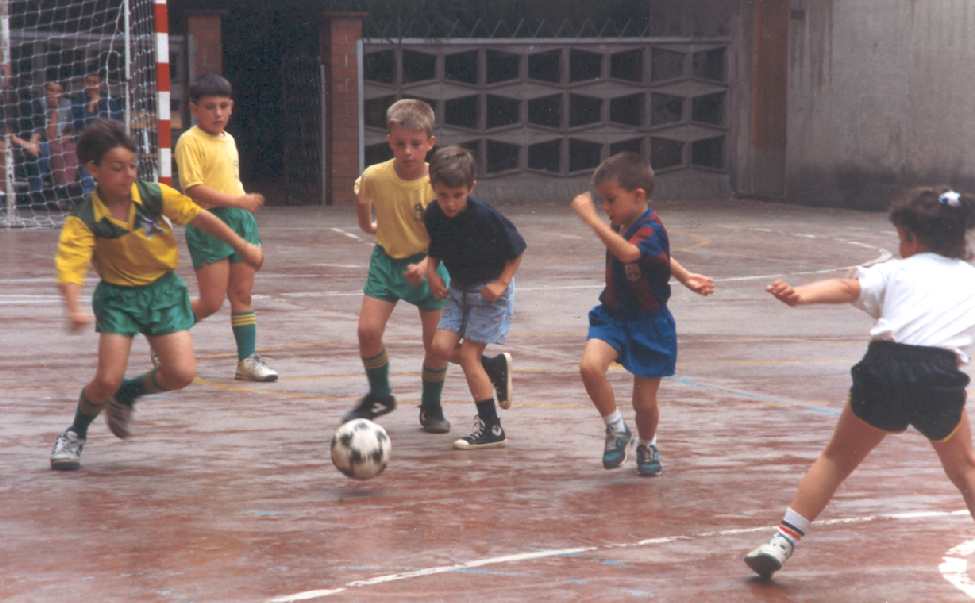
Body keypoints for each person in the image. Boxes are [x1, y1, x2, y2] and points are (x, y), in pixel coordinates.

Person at [744, 187, 975, 578]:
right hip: (939, 376)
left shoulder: (896, 270)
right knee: (966, 470)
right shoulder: (969, 278)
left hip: (885, 367)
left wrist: (800, 295)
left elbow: (848, 287)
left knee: (836, 459)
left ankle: (781, 541)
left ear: (911, 239)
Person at [49, 119, 264, 470]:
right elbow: (70, 268)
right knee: (106, 378)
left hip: (162, 292)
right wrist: (73, 309)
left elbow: (200, 217)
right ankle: (75, 432)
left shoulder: (152, 196)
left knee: (180, 374)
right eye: (117, 168)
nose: (128, 174)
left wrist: (243, 244)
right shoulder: (85, 218)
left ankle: (126, 395)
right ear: (94, 169)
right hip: (119, 298)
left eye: (132, 166)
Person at [343, 99, 513, 434]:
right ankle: (380, 394)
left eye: (416, 144)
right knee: (367, 331)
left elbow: (448, 234)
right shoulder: (374, 177)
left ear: (430, 144)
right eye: (399, 144)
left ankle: (432, 405)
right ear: (388, 140)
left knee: (436, 347)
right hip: (387, 263)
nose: (407, 151)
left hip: (432, 264)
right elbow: (364, 213)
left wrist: (426, 265)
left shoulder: (438, 185)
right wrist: (373, 229)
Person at [571, 152, 715, 476]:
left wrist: (590, 218)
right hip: (613, 316)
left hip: (649, 322)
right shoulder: (622, 222)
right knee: (590, 367)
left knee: (645, 403)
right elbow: (662, 258)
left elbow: (631, 253)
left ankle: (647, 443)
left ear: (638, 196)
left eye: (610, 200)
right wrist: (685, 275)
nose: (606, 208)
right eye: (602, 203)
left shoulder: (651, 228)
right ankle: (616, 428)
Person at [174, 73, 275, 381]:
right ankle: (168, 329)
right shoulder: (189, 141)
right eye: (209, 107)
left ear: (231, 107)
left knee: (242, 293)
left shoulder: (229, 139)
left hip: (239, 220)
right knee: (212, 301)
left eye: (223, 106)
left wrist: (241, 206)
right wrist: (237, 200)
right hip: (209, 222)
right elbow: (194, 189)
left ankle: (247, 361)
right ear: (194, 108)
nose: (218, 113)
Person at [424, 146, 527, 449]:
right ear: (433, 188)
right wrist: (431, 273)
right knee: (440, 347)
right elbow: (435, 249)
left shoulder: (485, 217)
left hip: (489, 294)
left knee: (468, 356)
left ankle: (492, 428)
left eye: (458, 195)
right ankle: (492, 367)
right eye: (443, 195)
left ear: (471, 188)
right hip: (458, 290)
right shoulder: (434, 214)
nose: (451, 203)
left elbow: (517, 250)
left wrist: (501, 283)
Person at [10, 79, 77, 192]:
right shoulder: (38, 103)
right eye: (51, 90)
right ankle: (60, 189)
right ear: (45, 90)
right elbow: (43, 131)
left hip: (59, 139)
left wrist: (67, 136)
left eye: (58, 91)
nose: (54, 94)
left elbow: (70, 129)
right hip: (43, 139)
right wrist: (55, 109)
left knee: (71, 148)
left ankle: (68, 186)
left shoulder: (67, 105)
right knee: (54, 149)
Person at [72, 69, 123, 192]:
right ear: (84, 83)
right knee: (89, 155)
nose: (92, 85)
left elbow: (115, 121)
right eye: (89, 82)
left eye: (95, 82)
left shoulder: (109, 101)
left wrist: (101, 104)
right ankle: (88, 193)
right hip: (85, 140)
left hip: (107, 140)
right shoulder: (78, 100)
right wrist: (90, 108)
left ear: (100, 84)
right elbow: (78, 124)